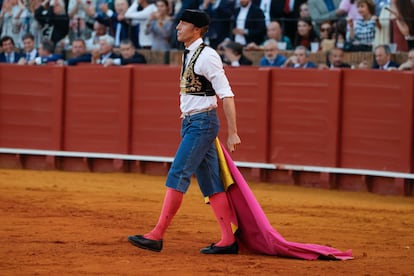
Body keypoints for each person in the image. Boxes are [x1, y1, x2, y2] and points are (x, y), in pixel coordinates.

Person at [127, 9, 241, 254]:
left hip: (202, 124)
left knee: (178, 173)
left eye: (183, 23)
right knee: (211, 183)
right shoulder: (190, 54)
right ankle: (228, 240)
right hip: (192, 122)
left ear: (196, 29)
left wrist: (233, 132)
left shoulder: (207, 56)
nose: (177, 27)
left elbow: (226, 94)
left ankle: (156, 235)